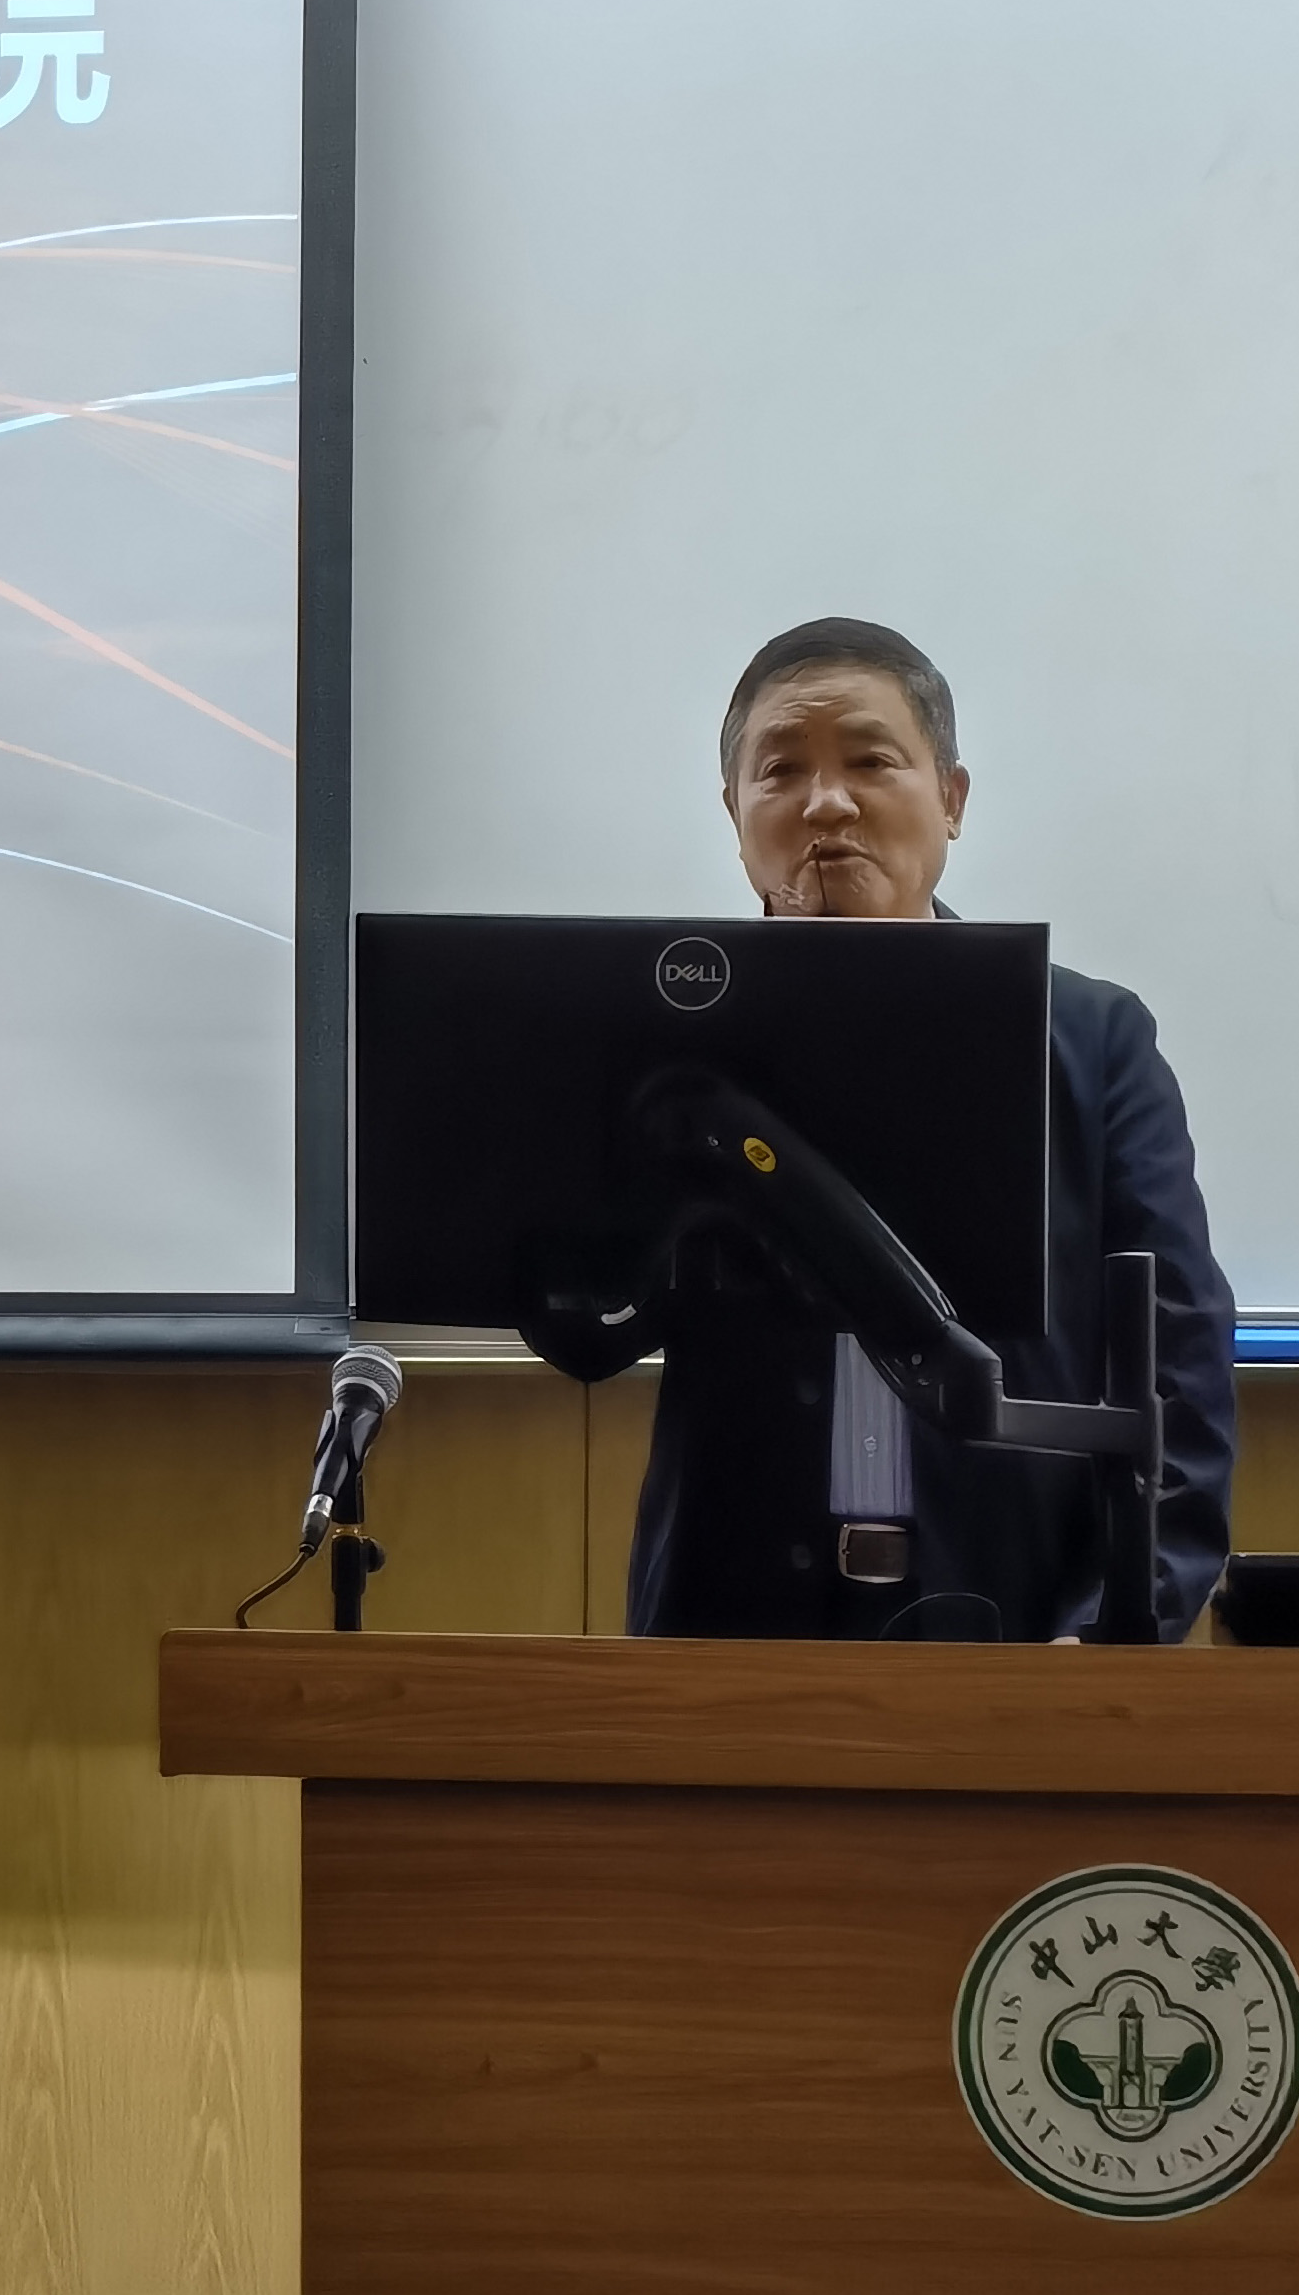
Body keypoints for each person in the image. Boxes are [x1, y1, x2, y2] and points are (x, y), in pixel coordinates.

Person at [527, 617, 1236, 1641]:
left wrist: (1114, 1628)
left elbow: (1180, 1369)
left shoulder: (1089, 1040)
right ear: (733, 813)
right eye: (780, 771)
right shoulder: (669, 1053)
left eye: (868, 761)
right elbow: (587, 1336)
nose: (826, 801)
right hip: (723, 1640)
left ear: (950, 799)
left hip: (1022, 1629)